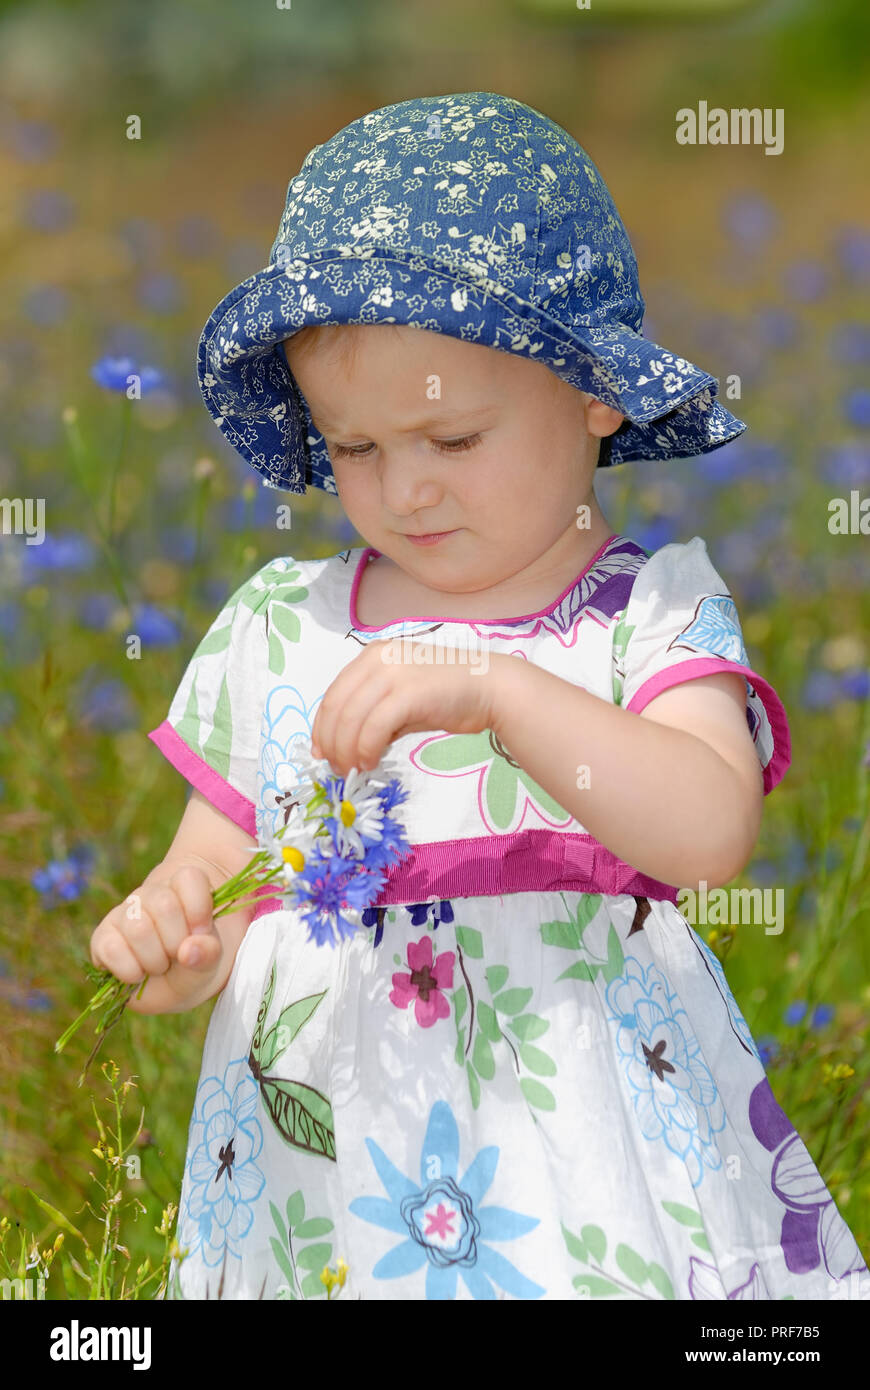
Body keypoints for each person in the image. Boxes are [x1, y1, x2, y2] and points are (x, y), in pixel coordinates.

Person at [90, 92, 868, 1300]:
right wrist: (176, 937)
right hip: (326, 1174)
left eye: (451, 441)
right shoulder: (281, 627)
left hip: (580, 1174)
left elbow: (710, 832)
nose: (403, 491)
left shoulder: (642, 614)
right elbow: (217, 875)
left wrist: (497, 689)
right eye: (354, 448)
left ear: (596, 392)